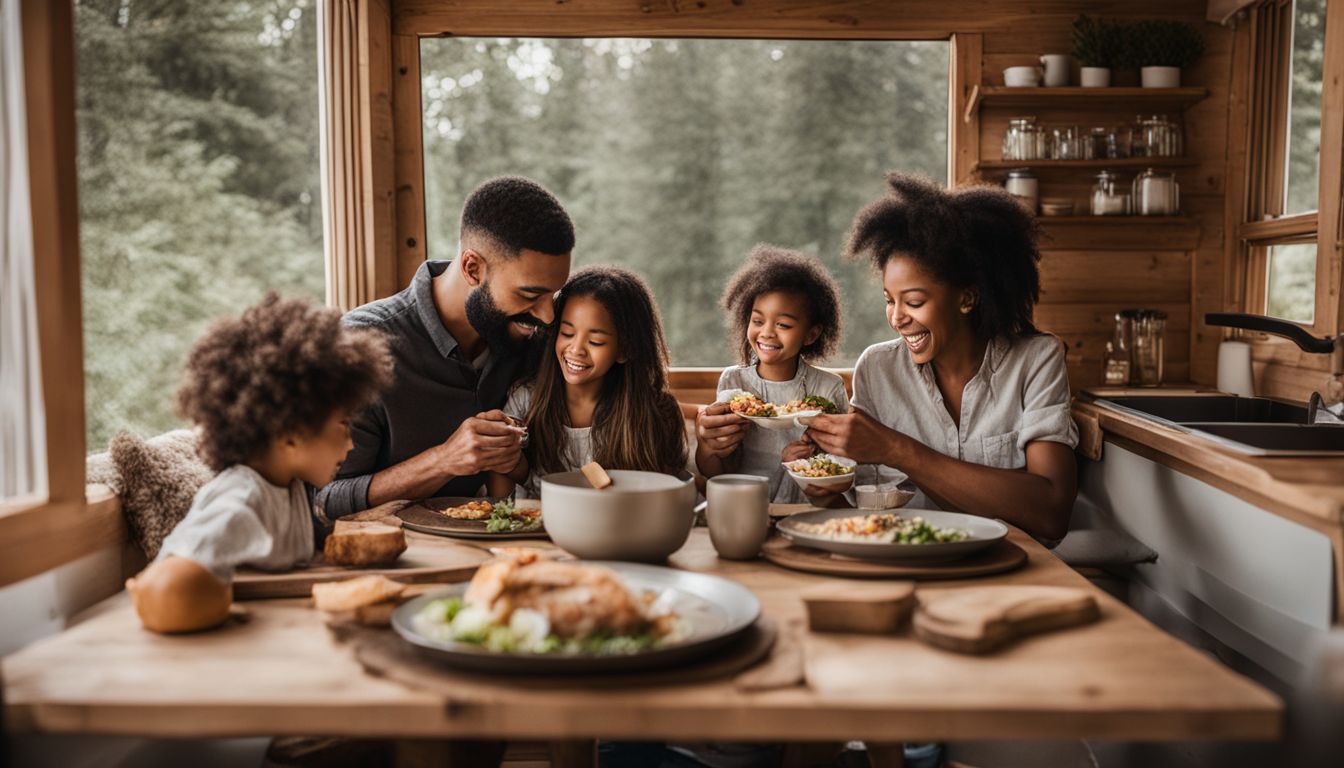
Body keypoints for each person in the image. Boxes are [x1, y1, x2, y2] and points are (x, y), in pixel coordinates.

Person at [800, 172, 1078, 543]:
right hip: (902, 562)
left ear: (967, 298)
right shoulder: (878, 369)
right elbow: (863, 516)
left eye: (914, 302)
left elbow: (1051, 512)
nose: (897, 318)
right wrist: (825, 488)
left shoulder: (1036, 360)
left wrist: (896, 449)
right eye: (889, 300)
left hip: (1008, 568)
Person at [128, 294, 394, 633]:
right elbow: (158, 592)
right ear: (291, 435)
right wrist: (225, 606)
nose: (352, 442)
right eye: (343, 425)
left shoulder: (289, 485)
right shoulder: (241, 501)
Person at [317, 176, 574, 518]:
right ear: (472, 268)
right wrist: (443, 460)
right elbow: (319, 499)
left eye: (552, 294)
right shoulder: (357, 344)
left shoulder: (540, 338)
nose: (547, 315)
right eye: (529, 295)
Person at [490, 266, 686, 498]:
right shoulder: (526, 400)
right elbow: (503, 485)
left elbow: (665, 492)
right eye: (567, 334)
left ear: (625, 350)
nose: (576, 350)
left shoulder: (655, 412)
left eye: (595, 342)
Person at [694, 245, 847, 503]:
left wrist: (805, 466)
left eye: (783, 325)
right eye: (757, 321)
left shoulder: (828, 388)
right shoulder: (734, 382)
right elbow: (717, 472)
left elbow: (841, 469)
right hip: (748, 507)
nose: (766, 333)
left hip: (806, 510)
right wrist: (708, 446)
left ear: (811, 334)